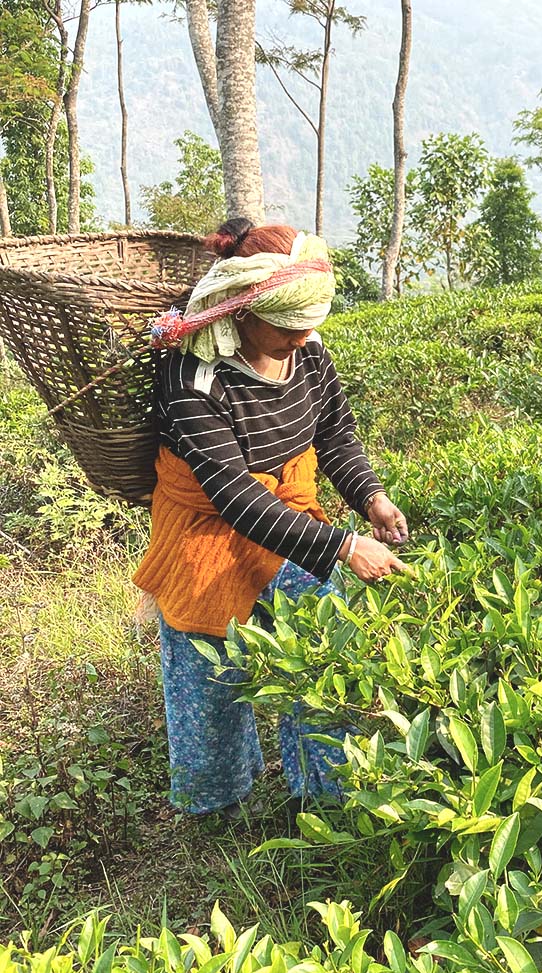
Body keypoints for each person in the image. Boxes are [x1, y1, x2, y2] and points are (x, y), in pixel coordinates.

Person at [134, 217, 411, 817]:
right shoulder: (192, 373)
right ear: (240, 312)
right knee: (208, 677)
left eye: (310, 324)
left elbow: (334, 434)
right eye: (286, 327)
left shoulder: (308, 353)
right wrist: (342, 546)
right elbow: (233, 493)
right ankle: (215, 807)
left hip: (288, 519)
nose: (302, 337)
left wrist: (370, 497)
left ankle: (325, 800)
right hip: (205, 534)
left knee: (321, 651)